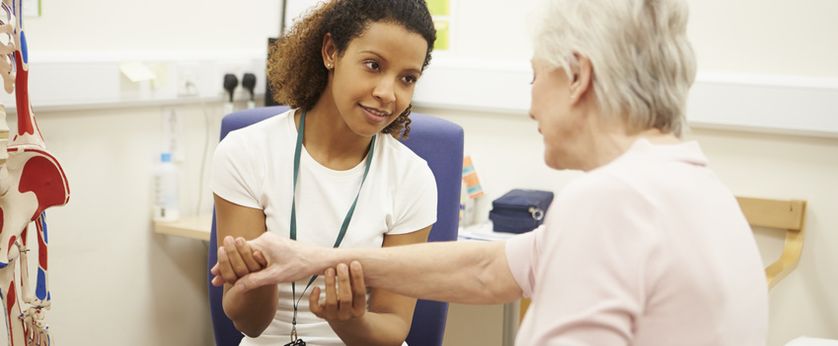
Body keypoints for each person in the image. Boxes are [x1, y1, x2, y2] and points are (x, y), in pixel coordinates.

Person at [214, 0, 769, 344]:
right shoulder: (697, 187)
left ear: (578, 78)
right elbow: (486, 269)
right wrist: (319, 260)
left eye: (534, 77)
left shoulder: (610, 203)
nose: (530, 105)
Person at [209, 0, 437, 345]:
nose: (387, 93)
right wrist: (255, 279)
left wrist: (348, 320)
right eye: (373, 65)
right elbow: (250, 323)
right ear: (331, 51)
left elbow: (393, 327)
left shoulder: (412, 178)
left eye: (407, 78)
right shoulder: (245, 153)